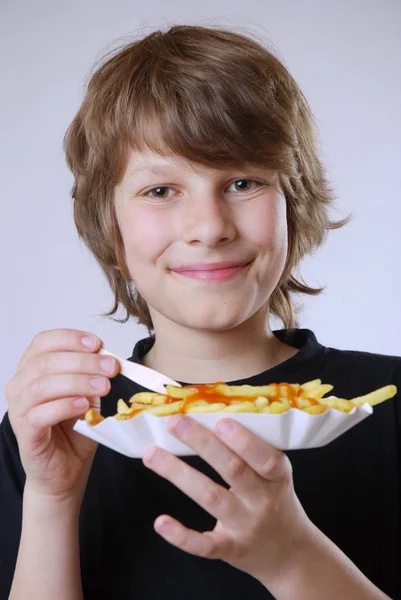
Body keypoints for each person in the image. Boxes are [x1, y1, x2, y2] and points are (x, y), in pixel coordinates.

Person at [1, 24, 400, 600]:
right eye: (160, 191)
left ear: (295, 203)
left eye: (242, 182)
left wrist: (294, 561)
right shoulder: (55, 431)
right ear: (110, 228)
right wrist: (51, 501)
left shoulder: (386, 404)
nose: (210, 228)